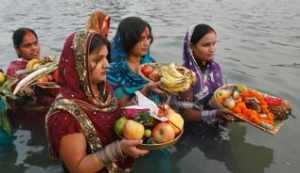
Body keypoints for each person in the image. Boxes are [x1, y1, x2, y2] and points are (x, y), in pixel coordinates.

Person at [46, 32, 149, 173]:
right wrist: (117, 149)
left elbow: (116, 116)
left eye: (106, 57)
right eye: (98, 59)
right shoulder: (65, 115)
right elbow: (78, 168)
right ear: (78, 63)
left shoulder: (103, 89)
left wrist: (147, 94)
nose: (107, 65)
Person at [171, 24, 234, 124]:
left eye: (214, 44)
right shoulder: (185, 75)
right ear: (191, 47)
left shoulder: (215, 68)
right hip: (193, 127)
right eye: (206, 45)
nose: (212, 49)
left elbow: (221, 96)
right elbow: (186, 114)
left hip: (216, 120)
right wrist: (215, 114)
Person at [107, 17, 163, 107]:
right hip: (131, 120)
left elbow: (162, 97)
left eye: (148, 38)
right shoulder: (113, 71)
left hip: (159, 115)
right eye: (141, 39)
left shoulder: (151, 63)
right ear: (128, 39)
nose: (146, 43)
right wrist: (146, 90)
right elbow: (123, 107)